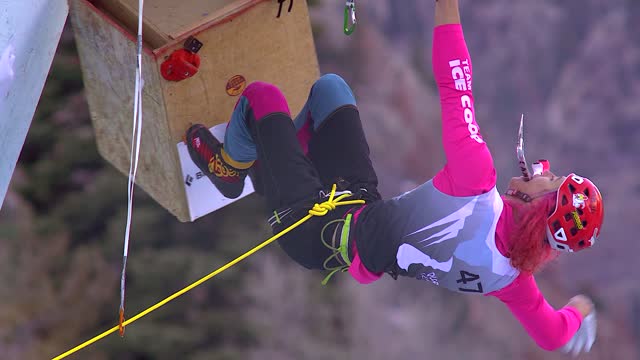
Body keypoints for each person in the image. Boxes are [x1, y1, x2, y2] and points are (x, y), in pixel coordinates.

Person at [185, 0, 603, 355]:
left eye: (551, 181)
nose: (542, 171)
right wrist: (580, 309)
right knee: (331, 92)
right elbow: (552, 335)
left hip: (311, 231)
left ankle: (230, 171)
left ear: (537, 206)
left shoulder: (476, 182)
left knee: (262, 97)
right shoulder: (513, 279)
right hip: (356, 206)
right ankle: (275, 158)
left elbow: (457, 85)